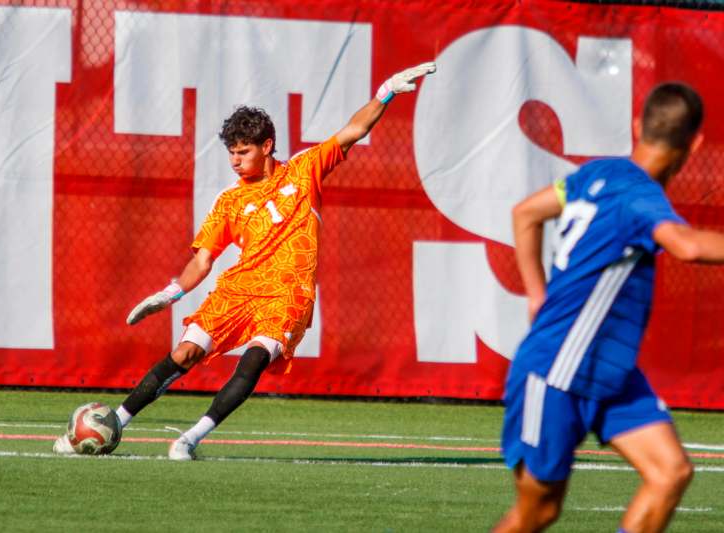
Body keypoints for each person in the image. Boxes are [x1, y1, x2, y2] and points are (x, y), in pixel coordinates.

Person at [54, 62, 436, 460]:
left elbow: (354, 130)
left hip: (288, 292)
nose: (235, 160)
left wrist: (385, 92)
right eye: (231, 153)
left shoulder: (304, 171)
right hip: (239, 288)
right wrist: (170, 292)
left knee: (254, 360)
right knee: (184, 353)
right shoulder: (229, 201)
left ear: (267, 146)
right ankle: (113, 423)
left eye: (243, 151)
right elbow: (202, 262)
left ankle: (189, 439)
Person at [492, 82, 724, 533]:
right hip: (555, 371)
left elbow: (525, 212)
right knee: (537, 512)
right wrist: (540, 297)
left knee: (669, 473)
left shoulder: (597, 176)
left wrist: (537, 293)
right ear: (695, 143)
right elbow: (687, 246)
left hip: (608, 371)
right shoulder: (639, 197)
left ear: (638, 125)